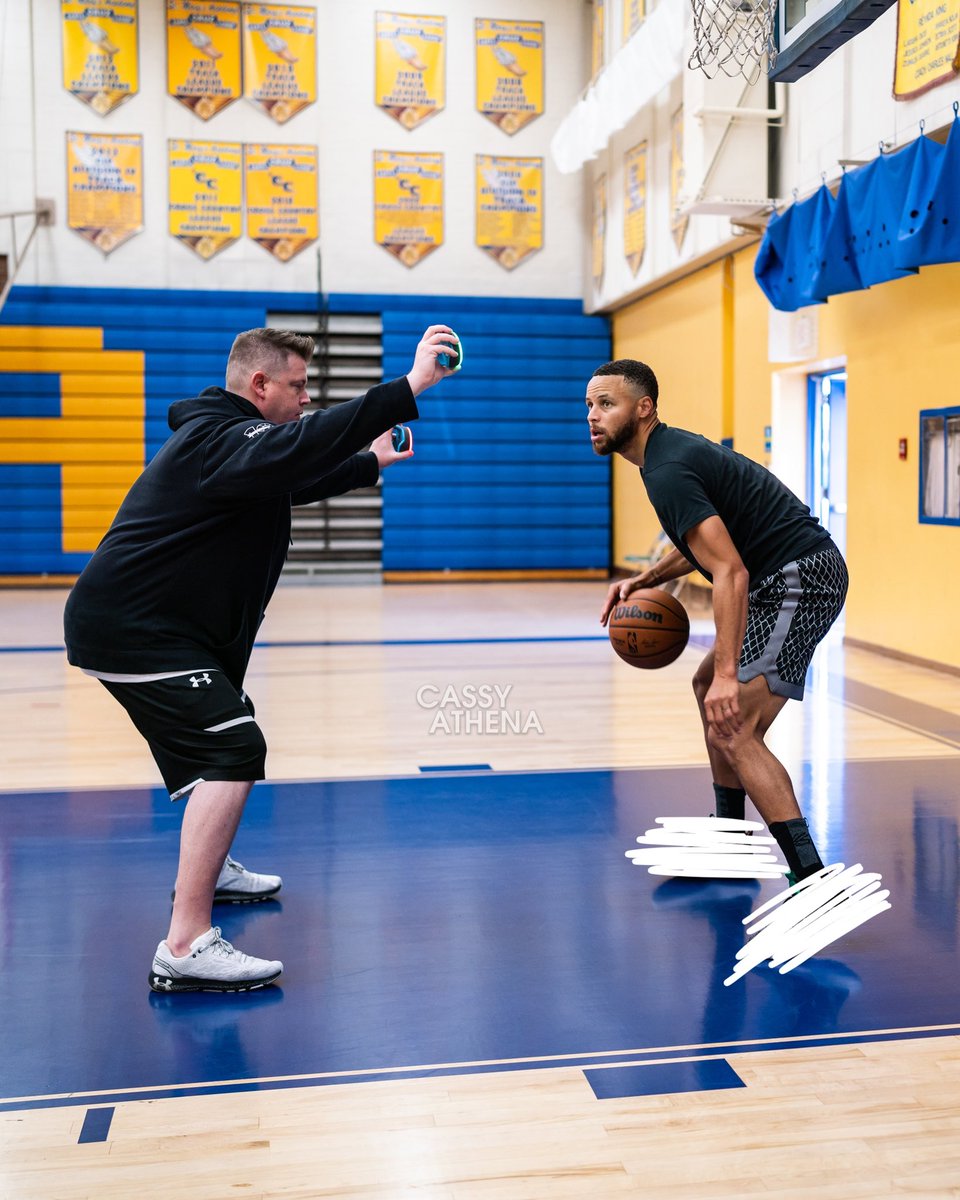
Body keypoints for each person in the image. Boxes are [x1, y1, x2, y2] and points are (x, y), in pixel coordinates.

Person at [64, 324, 459, 993]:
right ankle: (184, 946)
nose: (307, 399)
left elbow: (288, 479)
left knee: (212, 747)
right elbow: (297, 448)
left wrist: (369, 465)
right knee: (232, 750)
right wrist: (410, 387)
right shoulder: (217, 439)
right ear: (260, 385)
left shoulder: (227, 447)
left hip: (170, 629)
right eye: (299, 386)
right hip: (134, 629)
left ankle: (210, 871)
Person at [588, 359, 848, 886]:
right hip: (777, 578)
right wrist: (646, 580)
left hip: (803, 578)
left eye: (606, 404)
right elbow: (705, 545)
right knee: (705, 683)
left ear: (644, 409)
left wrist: (731, 673)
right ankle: (729, 839)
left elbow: (729, 569)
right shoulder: (663, 456)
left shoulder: (667, 469)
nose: (592, 416)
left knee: (733, 722)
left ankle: (812, 882)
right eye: (589, 405)